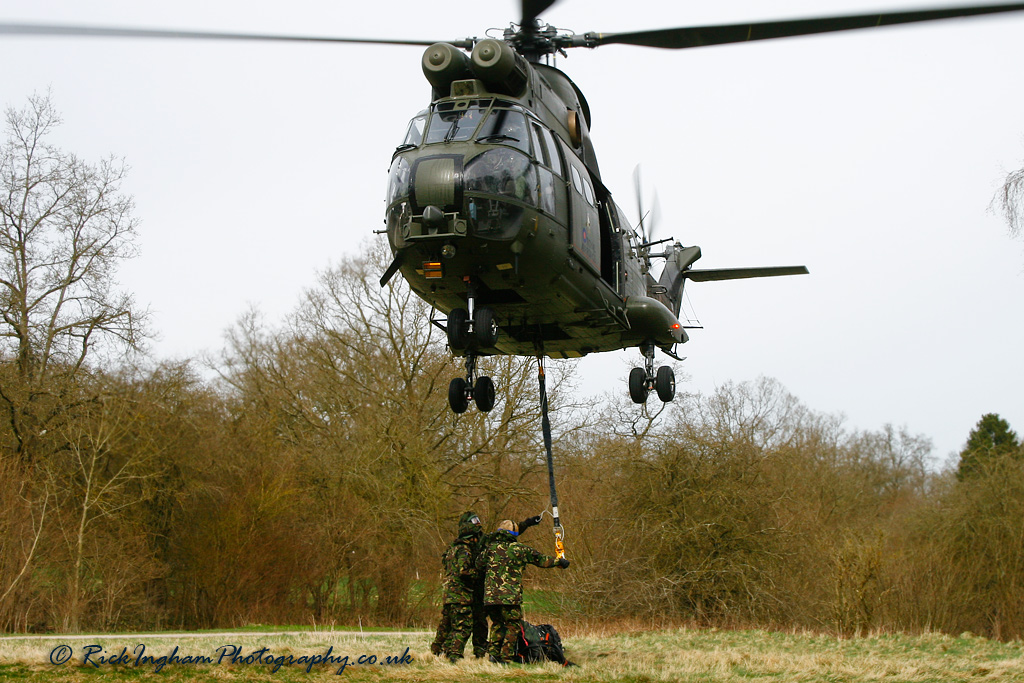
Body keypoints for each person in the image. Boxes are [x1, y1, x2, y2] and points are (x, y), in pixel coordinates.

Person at [431, 512, 544, 659]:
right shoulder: (462, 547)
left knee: (475, 623)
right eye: (474, 522)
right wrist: (478, 572)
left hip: (473, 590)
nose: (478, 525)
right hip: (465, 591)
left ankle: (476, 652)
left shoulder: (471, 543)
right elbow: (462, 571)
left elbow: (504, 535)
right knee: (455, 624)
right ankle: (447, 652)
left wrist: (526, 523)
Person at [476, 519, 569, 663]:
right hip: (510, 597)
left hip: (490, 598)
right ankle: (506, 657)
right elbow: (541, 559)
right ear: (513, 534)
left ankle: (493, 656)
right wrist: (559, 562)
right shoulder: (519, 549)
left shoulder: (490, 549)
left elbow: (478, 564)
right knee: (512, 625)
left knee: (497, 624)